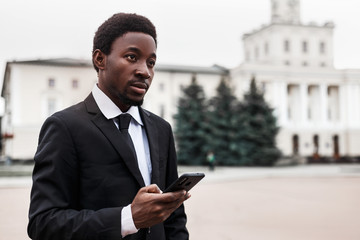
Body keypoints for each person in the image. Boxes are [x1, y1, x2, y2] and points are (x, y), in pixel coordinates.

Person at [28, 13, 190, 240]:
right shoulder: (64, 127)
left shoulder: (161, 129)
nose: (145, 71)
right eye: (132, 57)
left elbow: (174, 218)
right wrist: (128, 218)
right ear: (100, 59)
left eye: (151, 62)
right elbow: (43, 224)